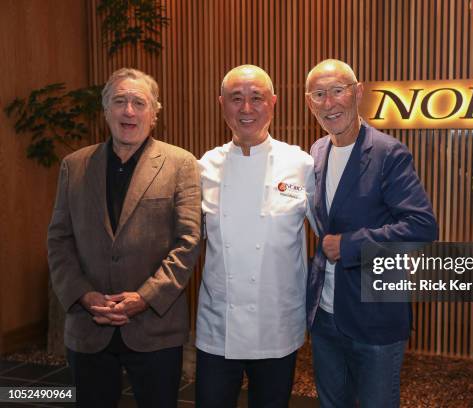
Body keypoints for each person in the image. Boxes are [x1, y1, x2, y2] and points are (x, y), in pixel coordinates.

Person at [47, 68, 202, 408]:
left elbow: (188, 241)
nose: (128, 111)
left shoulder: (181, 164)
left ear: (154, 113)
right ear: (105, 111)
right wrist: (84, 295)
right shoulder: (74, 166)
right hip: (90, 326)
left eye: (138, 102)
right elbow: (59, 240)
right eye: (119, 102)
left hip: (155, 328)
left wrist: (144, 297)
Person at [305, 59, 438, 407]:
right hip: (325, 316)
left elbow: (421, 227)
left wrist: (350, 245)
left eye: (337, 91)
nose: (329, 102)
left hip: (374, 315)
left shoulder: (387, 152)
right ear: (309, 102)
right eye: (319, 94)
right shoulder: (317, 152)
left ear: (358, 92)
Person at [195, 65, 315, 408]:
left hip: (276, 322)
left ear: (273, 103)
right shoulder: (204, 168)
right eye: (236, 99)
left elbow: (330, 234)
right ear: (222, 104)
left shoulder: (301, 164)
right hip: (220, 325)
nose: (246, 109)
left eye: (256, 98)